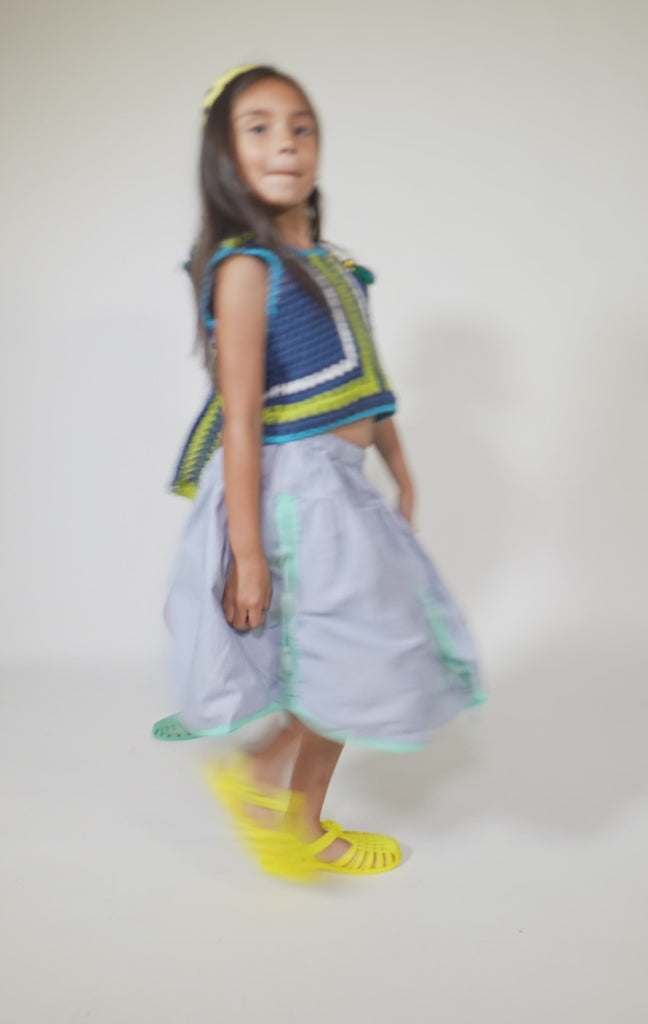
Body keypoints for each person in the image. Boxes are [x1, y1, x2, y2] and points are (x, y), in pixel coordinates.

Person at [153, 63, 484, 880]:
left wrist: (398, 464)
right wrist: (249, 554)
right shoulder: (246, 270)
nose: (286, 144)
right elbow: (240, 420)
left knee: (352, 655)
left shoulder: (335, 265)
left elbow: (366, 378)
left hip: (342, 480)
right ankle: (261, 774)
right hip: (300, 487)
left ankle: (299, 819)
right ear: (226, 156)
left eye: (301, 127)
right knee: (356, 655)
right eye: (259, 128)